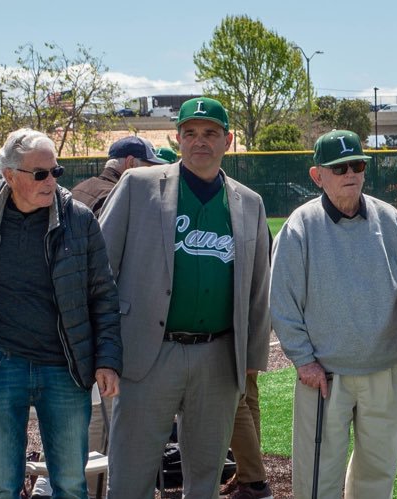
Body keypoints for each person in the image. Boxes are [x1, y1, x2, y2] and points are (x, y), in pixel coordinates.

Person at [100, 97, 273, 499]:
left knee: (205, 481)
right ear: (176, 138)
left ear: (228, 140)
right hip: (149, 352)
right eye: (191, 133)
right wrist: (106, 349)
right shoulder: (138, 185)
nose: (200, 141)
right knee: (129, 480)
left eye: (210, 133)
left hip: (217, 354)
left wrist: (250, 361)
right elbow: (100, 270)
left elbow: (258, 288)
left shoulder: (249, 202)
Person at [0, 128, 123, 499]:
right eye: (40, 173)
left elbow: (103, 296)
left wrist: (107, 360)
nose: (51, 181)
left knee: (70, 484)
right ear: (9, 175)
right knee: (0, 486)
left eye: (55, 172)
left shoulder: (79, 220)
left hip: (63, 366)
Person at [272, 129, 397, 498]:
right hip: (324, 376)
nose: (350, 173)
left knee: (378, 477)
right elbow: (282, 303)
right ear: (318, 175)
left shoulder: (391, 219)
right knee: (318, 481)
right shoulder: (300, 226)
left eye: (357, 165)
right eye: (339, 167)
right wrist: (303, 360)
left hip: (385, 369)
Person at [70, 136, 167, 215]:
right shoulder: (117, 197)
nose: (152, 173)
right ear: (131, 163)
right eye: (149, 167)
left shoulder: (79, 188)